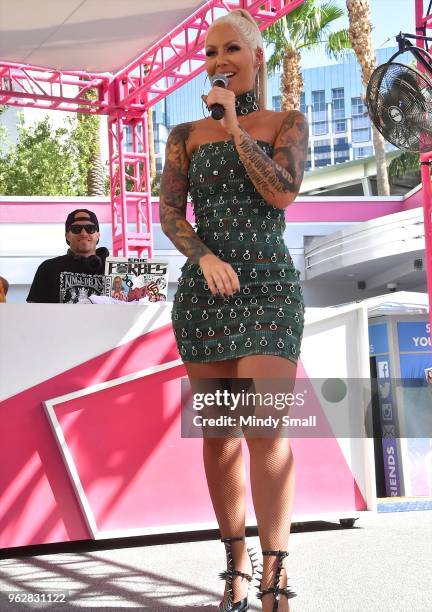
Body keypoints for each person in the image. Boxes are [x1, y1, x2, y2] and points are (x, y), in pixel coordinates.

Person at [160, 9, 308, 612]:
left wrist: (237, 129)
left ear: (256, 58)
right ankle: (235, 566)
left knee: (267, 431)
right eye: (209, 52)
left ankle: (275, 573)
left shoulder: (287, 123)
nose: (218, 61)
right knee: (220, 438)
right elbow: (171, 214)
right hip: (206, 296)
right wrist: (203, 258)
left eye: (230, 50)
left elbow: (283, 191)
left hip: (270, 291)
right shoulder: (184, 136)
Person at [27, 209, 109, 304]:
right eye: (76, 229)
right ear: (67, 235)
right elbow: (34, 311)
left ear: (98, 235)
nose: (83, 234)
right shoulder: (48, 268)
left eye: (90, 228)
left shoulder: (113, 268)